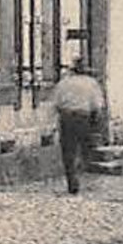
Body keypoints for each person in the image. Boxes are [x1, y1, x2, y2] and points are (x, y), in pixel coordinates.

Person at [50, 57, 105, 194]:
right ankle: (82, 177)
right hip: (84, 117)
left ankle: (72, 181)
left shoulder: (63, 83)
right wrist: (97, 122)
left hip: (67, 118)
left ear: (72, 70)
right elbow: (97, 105)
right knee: (84, 149)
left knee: (68, 151)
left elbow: (56, 103)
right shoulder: (91, 83)